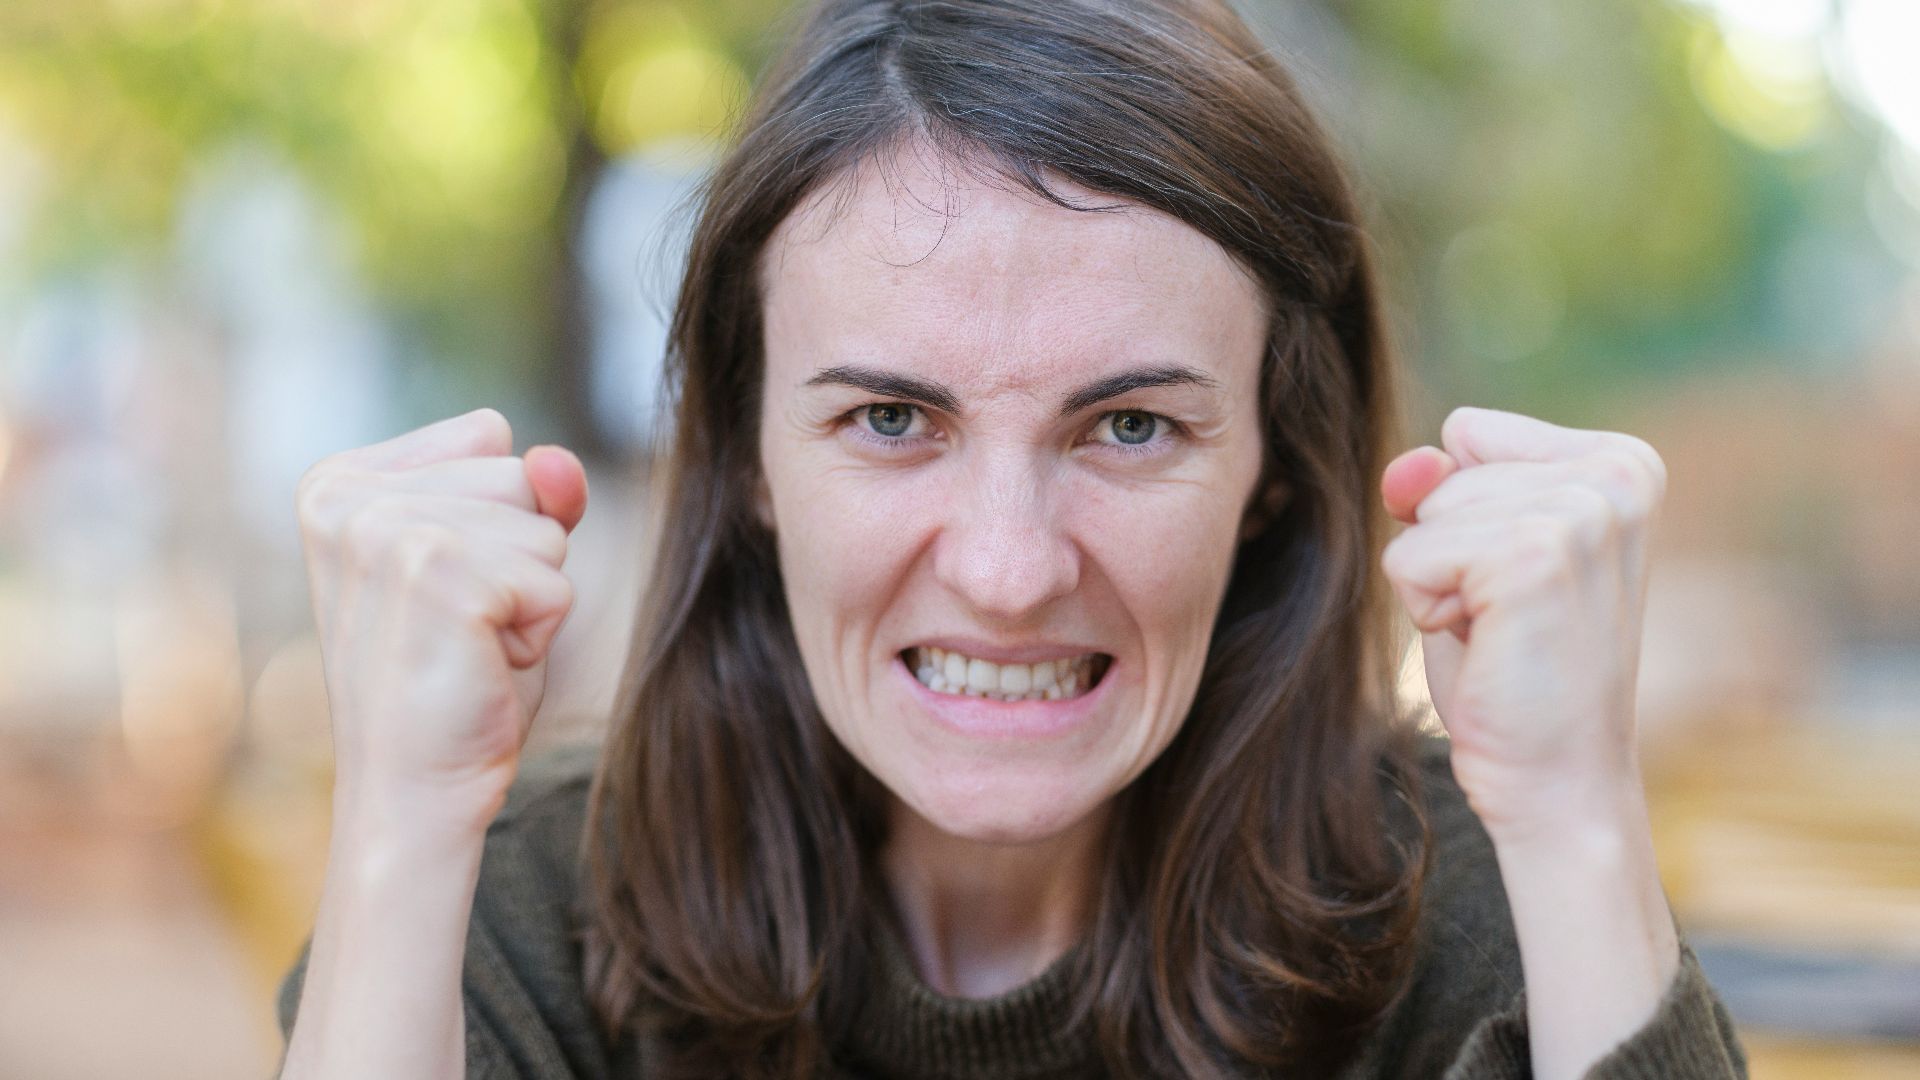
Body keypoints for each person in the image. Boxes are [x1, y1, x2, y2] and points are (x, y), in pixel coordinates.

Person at [272, 0, 1749, 1076]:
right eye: (892, 421)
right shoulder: (528, 909)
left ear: (1279, 470)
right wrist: (401, 828)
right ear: (752, 456)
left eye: (1129, 429)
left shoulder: (1466, 919)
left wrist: (1574, 822)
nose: (1006, 567)